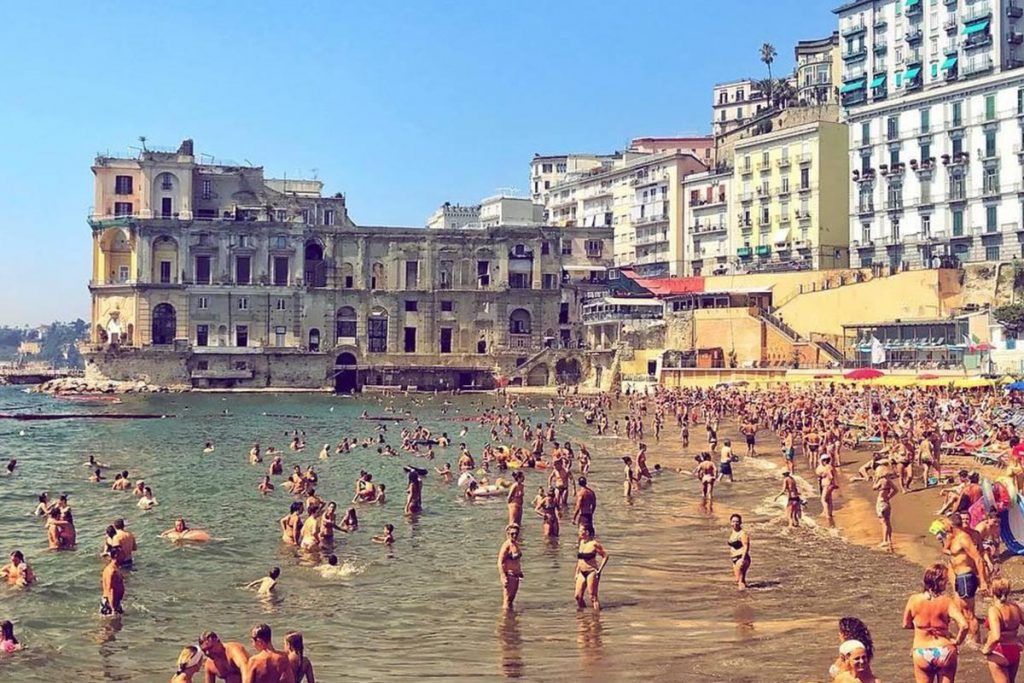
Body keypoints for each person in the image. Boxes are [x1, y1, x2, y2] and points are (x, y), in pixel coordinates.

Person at [902, 563, 969, 683]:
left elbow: (906, 624)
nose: (947, 583)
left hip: (922, 650)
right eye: (945, 580)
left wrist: (922, 628)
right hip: (945, 650)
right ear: (939, 582)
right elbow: (964, 625)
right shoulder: (947, 602)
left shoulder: (914, 600)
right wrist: (957, 641)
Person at [944, 512, 989, 642]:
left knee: (969, 614)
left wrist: (984, 581)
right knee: (962, 610)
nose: (944, 526)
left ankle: (976, 643)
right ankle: (969, 638)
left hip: (966, 577)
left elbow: (978, 558)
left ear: (952, 524)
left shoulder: (964, 538)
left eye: (946, 523)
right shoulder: (955, 537)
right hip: (960, 577)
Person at [981, 578, 1023, 683]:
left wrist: (987, 649)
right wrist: (1021, 639)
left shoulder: (994, 610)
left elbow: (996, 636)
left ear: (992, 591)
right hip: (1015, 650)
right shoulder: (1015, 607)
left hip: (999, 651)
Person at [574, 524, 608, 610]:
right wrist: (576, 572)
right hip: (581, 572)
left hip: (591, 572)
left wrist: (599, 570)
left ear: (587, 532)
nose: (579, 532)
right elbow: (580, 559)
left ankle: (597, 618)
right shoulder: (581, 542)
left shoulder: (594, 544)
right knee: (578, 596)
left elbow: (605, 556)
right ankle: (583, 615)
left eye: (581, 530)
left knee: (593, 597)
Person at [498, 524, 524, 610]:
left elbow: (516, 560)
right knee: (507, 601)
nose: (514, 535)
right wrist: (503, 576)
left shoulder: (515, 544)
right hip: (509, 576)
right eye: (512, 533)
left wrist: (519, 571)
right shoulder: (506, 545)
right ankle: (504, 620)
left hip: (516, 576)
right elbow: (500, 562)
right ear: (508, 534)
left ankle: (511, 620)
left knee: (511, 601)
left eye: (516, 533)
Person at [873, 472, 897, 551]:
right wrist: (889, 496)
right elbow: (896, 490)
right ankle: (889, 540)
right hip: (886, 502)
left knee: (883, 523)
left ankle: (884, 540)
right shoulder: (889, 481)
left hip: (881, 503)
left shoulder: (881, 481)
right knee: (888, 522)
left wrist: (875, 480)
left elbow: (874, 488)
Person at [727, 514, 751, 590]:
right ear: (730, 522)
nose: (735, 523)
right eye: (733, 521)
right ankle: (747, 593)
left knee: (740, 582)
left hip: (741, 558)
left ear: (740, 522)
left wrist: (742, 560)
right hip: (735, 559)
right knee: (739, 580)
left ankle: (742, 598)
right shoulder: (733, 532)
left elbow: (746, 546)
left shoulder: (743, 534)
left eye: (737, 521)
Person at [100, 545, 125, 615]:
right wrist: (113, 609)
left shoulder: (115, 568)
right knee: (112, 625)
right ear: (116, 555)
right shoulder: (112, 571)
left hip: (114, 602)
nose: (125, 555)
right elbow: (111, 590)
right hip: (110, 604)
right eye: (122, 553)